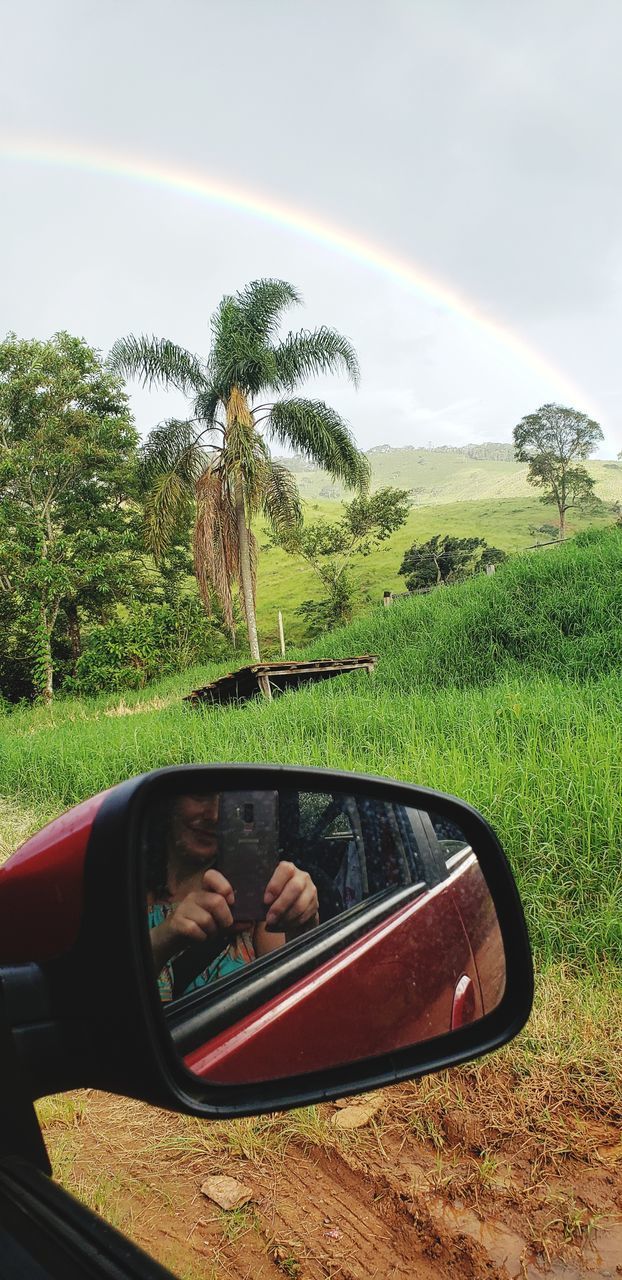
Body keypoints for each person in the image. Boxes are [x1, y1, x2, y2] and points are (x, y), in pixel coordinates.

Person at [146, 793, 319, 1003]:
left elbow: (291, 1001)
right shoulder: (124, 890)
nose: (215, 815)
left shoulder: (258, 901)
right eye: (202, 794)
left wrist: (303, 930)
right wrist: (162, 941)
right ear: (171, 801)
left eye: (229, 803)